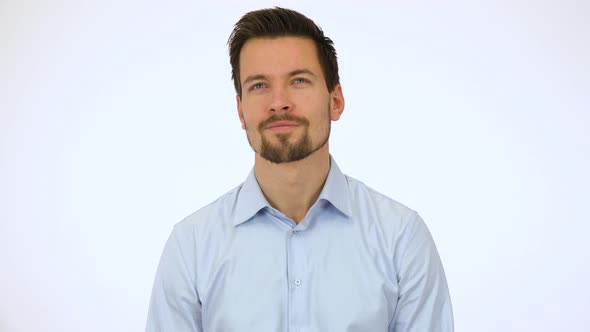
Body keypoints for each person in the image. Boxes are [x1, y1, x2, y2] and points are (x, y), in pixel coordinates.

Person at [146, 7, 453, 332]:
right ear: (240, 111)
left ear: (335, 100)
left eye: (299, 80)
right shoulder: (191, 246)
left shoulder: (401, 239)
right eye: (259, 86)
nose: (279, 102)